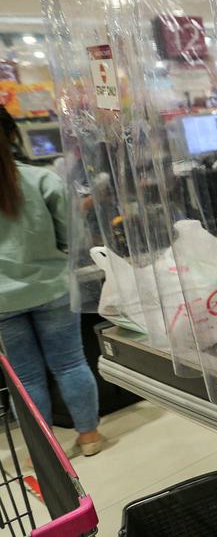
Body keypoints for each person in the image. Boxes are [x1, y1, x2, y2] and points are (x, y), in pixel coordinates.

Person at [0, 106, 103, 456]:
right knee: (71, 363)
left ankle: (43, 453)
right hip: (53, 289)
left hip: (2, 303)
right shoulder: (42, 180)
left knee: (25, 379)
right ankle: (89, 437)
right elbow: (73, 236)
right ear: (12, 135)